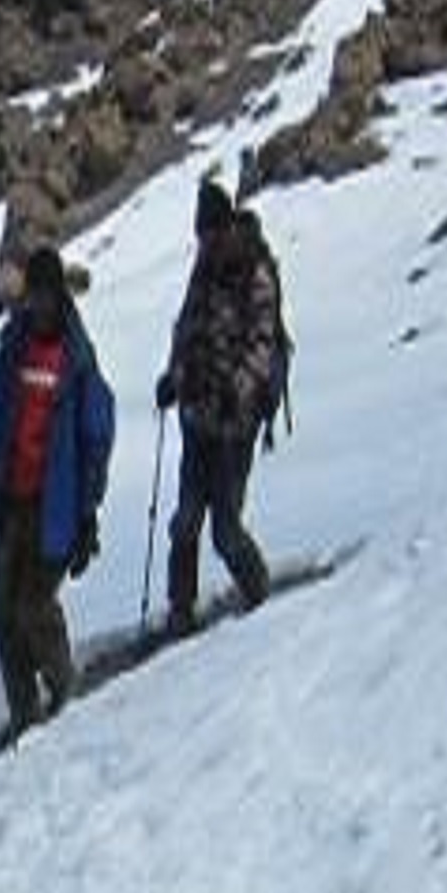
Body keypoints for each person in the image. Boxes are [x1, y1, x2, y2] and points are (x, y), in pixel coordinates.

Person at [0, 243, 115, 731]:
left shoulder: (77, 358)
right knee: (5, 613)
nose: (39, 307)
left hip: (56, 506)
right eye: (34, 297)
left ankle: (64, 692)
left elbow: (95, 436)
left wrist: (88, 512)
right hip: (13, 501)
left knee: (33, 605)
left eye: (47, 297)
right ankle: (24, 714)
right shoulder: (14, 348)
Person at [154, 176, 284, 634]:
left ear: (225, 227)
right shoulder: (203, 271)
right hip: (198, 414)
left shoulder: (256, 274)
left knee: (225, 528)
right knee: (186, 520)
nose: (205, 245)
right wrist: (173, 379)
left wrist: (239, 390)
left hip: (236, 422)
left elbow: (263, 344)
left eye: (210, 234)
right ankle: (180, 611)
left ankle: (258, 592)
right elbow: (186, 331)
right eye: (201, 236)